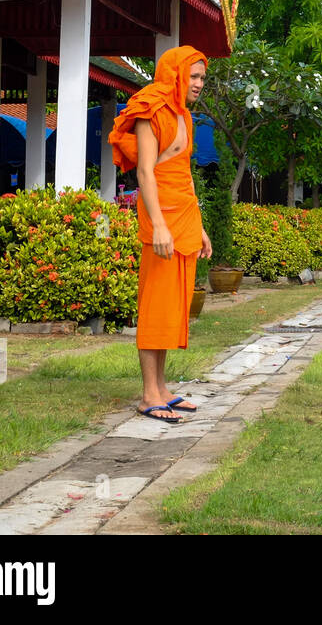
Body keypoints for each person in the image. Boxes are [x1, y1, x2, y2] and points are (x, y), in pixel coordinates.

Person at [108, 45, 213, 424]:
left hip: (184, 217)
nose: (199, 84)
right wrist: (160, 226)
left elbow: (184, 174)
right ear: (175, 74)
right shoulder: (150, 111)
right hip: (161, 220)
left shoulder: (183, 114)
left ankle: (162, 389)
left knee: (173, 306)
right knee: (155, 306)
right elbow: (145, 174)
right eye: (194, 76)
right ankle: (148, 394)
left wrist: (199, 226)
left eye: (202, 77)